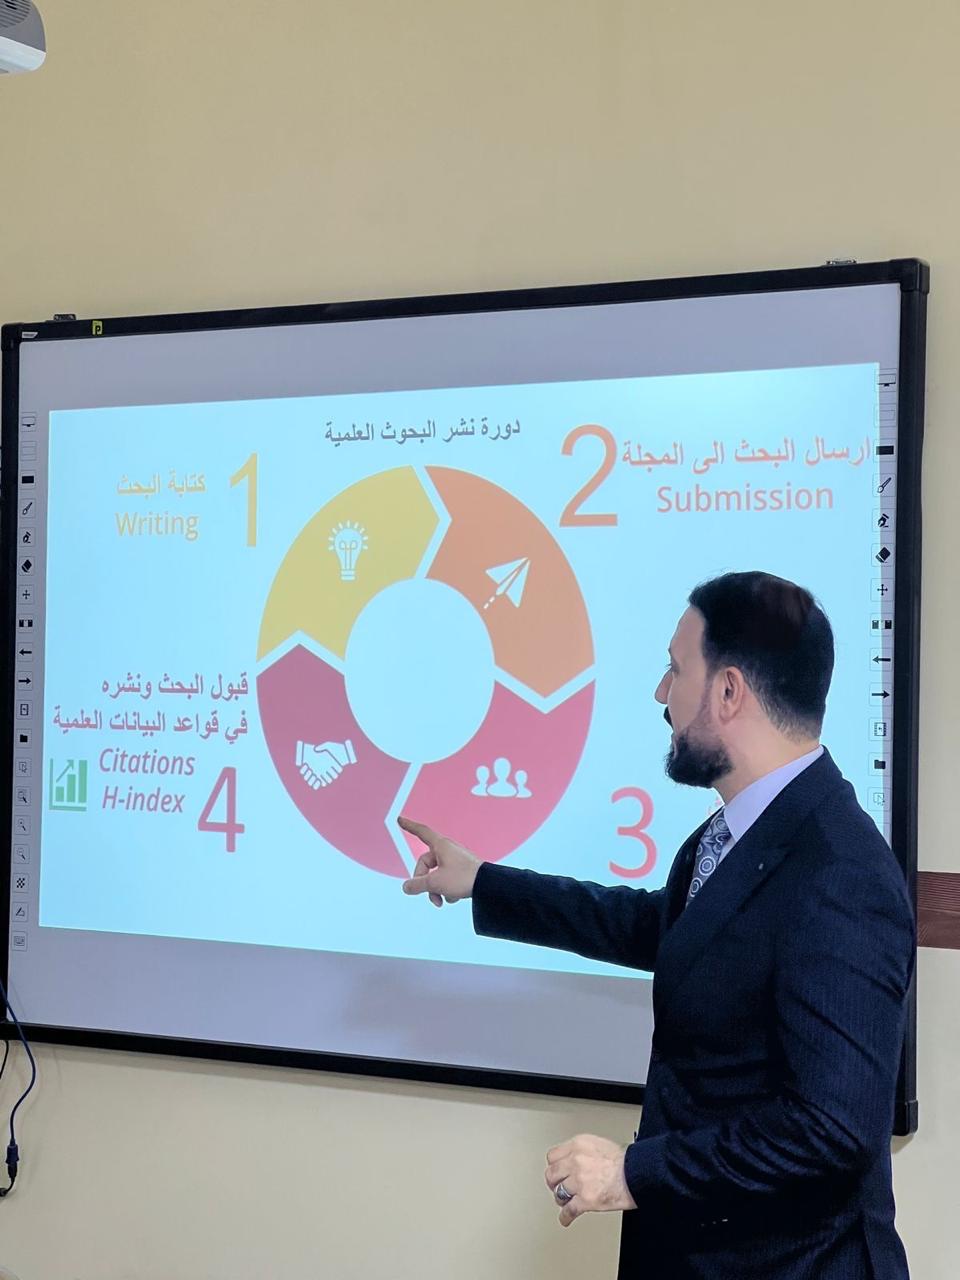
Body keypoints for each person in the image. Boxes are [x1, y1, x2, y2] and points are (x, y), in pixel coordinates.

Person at [400, 571, 915, 1280]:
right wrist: (484, 883)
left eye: (676, 670)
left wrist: (633, 1172)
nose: (660, 693)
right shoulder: (735, 835)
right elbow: (668, 930)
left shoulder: (840, 870)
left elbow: (831, 1131)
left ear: (728, 692)